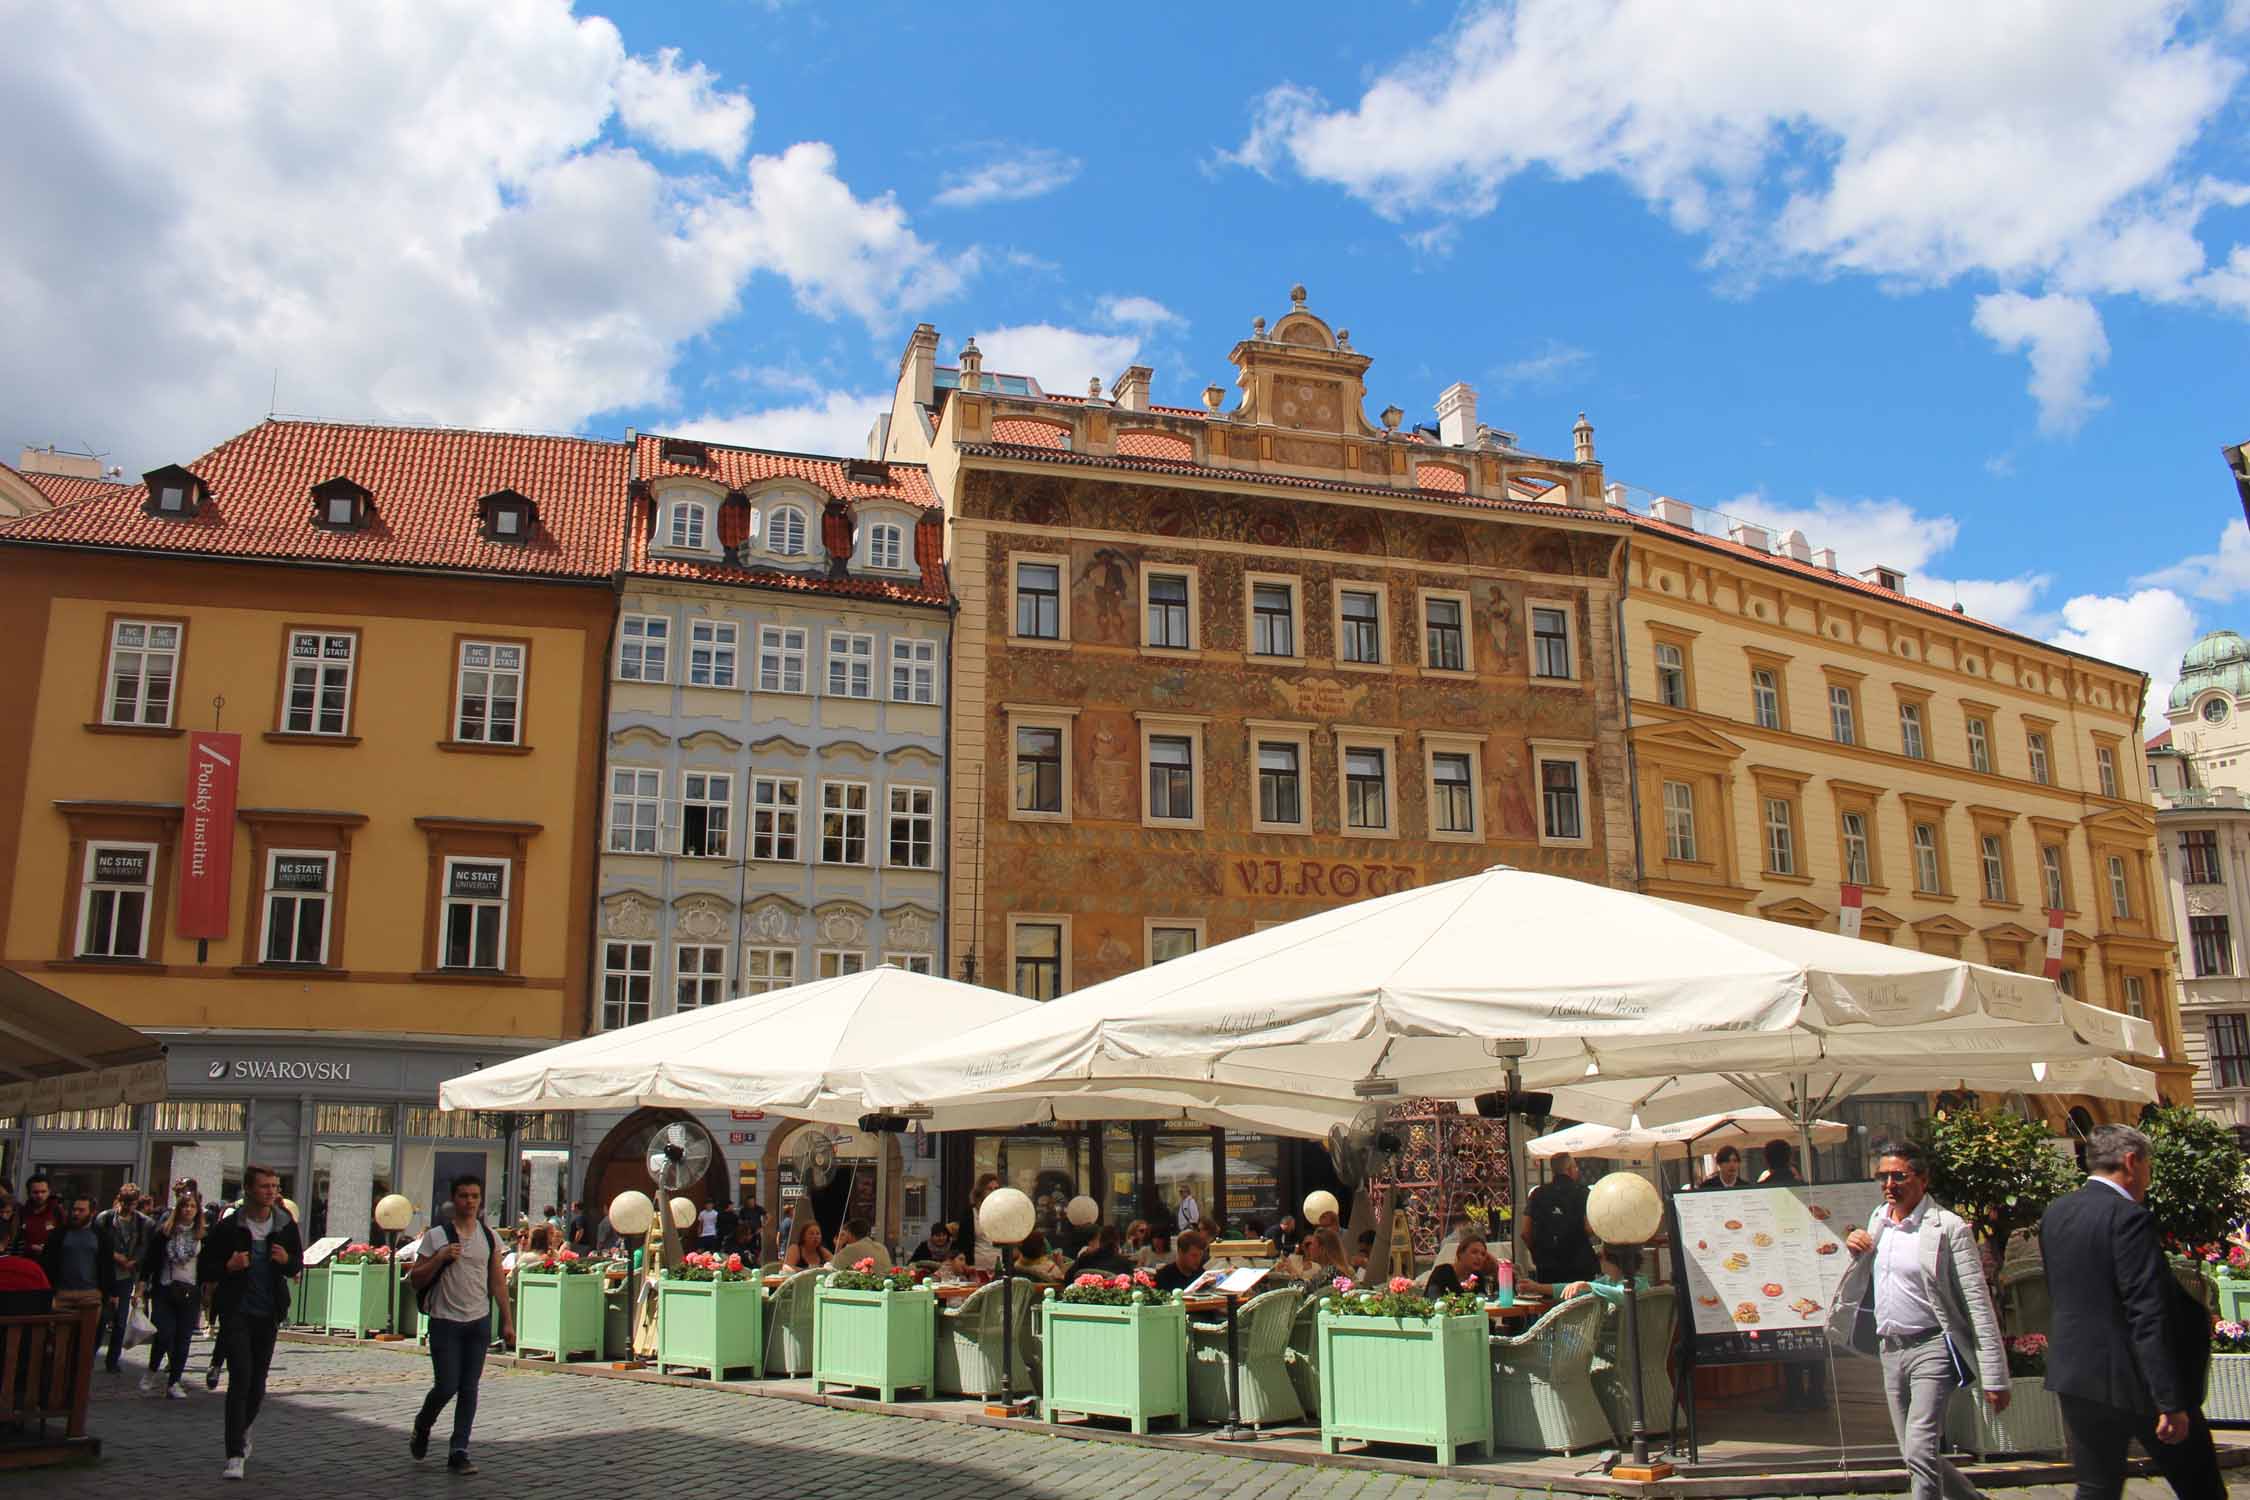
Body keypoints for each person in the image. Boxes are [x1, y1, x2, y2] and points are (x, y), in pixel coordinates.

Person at [2039, 1123, 2221, 1500]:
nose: (2148, 1176)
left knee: (2097, 1487)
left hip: (2076, 1375)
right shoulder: (2129, 1217)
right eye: (2148, 1165)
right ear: (2131, 1161)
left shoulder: (2057, 1213)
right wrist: (2170, 1402)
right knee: (2201, 1487)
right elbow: (2146, 1310)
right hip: (2137, 1380)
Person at [1830, 1142, 2007, 1500]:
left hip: (1932, 1347)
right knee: (1914, 1452)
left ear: (1923, 1180)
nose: (1889, 1184)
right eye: (1883, 1176)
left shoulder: (1947, 1227)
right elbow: (1866, 1279)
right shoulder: (1878, 1221)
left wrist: (1995, 1376)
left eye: (1899, 1176)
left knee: (1920, 1450)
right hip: (1890, 1350)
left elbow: (1977, 1301)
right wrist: (1854, 1249)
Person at [196, 1166, 302, 1480]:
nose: (271, 1191)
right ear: (248, 1189)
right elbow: (205, 1267)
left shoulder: (284, 1225)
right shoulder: (229, 1227)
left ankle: (242, 1431)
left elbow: (297, 1262)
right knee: (240, 1376)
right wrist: (228, 1266)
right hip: (236, 1310)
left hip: (267, 1311)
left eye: (275, 1186)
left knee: (258, 1381)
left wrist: (287, 1262)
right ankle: (234, 1454)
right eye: (265, 1186)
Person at [407, 1172, 513, 1476]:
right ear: (454, 1199)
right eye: (464, 1196)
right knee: (446, 1385)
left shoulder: (489, 1236)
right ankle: (423, 1424)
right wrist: (439, 1258)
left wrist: (507, 1320)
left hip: (477, 1321)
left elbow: (497, 1281)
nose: (469, 1201)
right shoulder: (437, 1236)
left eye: (475, 1196)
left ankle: (459, 1450)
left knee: (469, 1387)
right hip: (445, 1321)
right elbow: (416, 1279)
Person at [142, 1184, 204, 1398]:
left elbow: (207, 1264)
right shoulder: (165, 1232)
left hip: (190, 1290)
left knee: (183, 1338)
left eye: (192, 1206)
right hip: (166, 1288)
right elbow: (150, 1260)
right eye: (185, 1206)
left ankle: (174, 1381)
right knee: (164, 1333)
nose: (188, 1209)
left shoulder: (201, 1235)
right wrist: (141, 1285)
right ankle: (151, 1370)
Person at [97, 1181, 152, 1373]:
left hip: (126, 1275)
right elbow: (98, 1244)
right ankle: (90, 1354)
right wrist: (115, 1256)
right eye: (126, 1202)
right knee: (101, 1317)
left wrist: (133, 1262)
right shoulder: (106, 1218)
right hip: (106, 1274)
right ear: (119, 1200)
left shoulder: (143, 1222)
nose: (129, 1207)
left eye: (133, 1203)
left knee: (120, 1321)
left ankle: (112, 1361)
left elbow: (144, 1247)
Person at [40, 1194, 119, 1323]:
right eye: (74, 1209)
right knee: (60, 1338)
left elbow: (107, 1265)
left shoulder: (101, 1236)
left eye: (81, 1210)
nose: (76, 1214)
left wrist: (111, 1293)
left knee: (87, 1338)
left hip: (90, 1294)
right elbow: (48, 1262)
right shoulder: (59, 1234)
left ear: (92, 1213)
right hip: (63, 1293)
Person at [1525, 1154, 1598, 1284]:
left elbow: (1525, 1233)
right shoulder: (1582, 1193)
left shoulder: (1538, 1194)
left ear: (1553, 1171)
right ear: (1569, 1169)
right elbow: (1588, 1228)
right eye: (1575, 1167)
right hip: (1579, 1265)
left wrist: (1538, 1254)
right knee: (1582, 1302)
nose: (1577, 1170)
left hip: (1548, 1267)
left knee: (1549, 1303)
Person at [1424, 1232, 1503, 1297]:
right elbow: (1433, 1299)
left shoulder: (1478, 1277)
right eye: (1474, 1252)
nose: (1479, 1257)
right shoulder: (1442, 1272)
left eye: (1483, 1254)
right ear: (1460, 1253)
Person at [1066, 1224, 1135, 1278]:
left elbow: (1067, 1278)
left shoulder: (1084, 1259)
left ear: (1100, 1240)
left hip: (1084, 1295)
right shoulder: (1124, 1263)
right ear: (1117, 1242)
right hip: (1112, 1295)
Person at [18, 1172, 61, 1256]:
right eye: (35, 1192)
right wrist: (29, 1247)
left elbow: (64, 1239)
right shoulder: (21, 1212)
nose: (40, 1195)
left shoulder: (57, 1211)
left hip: (50, 1262)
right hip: (25, 1261)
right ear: (29, 1193)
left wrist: (48, 1248)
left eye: (43, 1191)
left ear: (49, 1192)